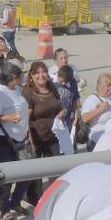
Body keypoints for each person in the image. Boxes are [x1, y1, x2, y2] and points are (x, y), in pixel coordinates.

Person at [0, 63, 32, 220]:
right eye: (20, 76)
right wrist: (10, 118)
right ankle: (5, 209)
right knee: (8, 178)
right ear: (13, 77)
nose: (23, 78)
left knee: (26, 174)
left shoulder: (17, 89)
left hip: (21, 138)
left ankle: (16, 202)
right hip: (4, 141)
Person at [22, 61, 64, 202]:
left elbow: (59, 106)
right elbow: (25, 119)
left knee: (55, 167)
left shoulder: (52, 87)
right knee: (36, 171)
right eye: (37, 73)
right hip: (36, 135)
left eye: (43, 71)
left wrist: (62, 112)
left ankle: (52, 195)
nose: (41, 75)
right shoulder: (28, 92)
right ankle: (35, 198)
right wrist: (31, 140)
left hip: (54, 135)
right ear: (31, 76)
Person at [79, 72, 111, 149]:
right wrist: (100, 110)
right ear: (99, 86)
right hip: (97, 142)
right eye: (108, 86)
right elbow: (84, 118)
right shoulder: (92, 99)